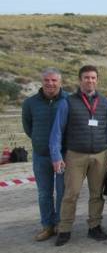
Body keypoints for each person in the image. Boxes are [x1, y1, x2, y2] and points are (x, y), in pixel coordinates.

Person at [49, 65, 107, 246]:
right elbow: (57, 131)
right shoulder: (68, 102)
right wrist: (56, 156)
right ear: (80, 80)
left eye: (93, 78)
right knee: (70, 194)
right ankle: (64, 229)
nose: (90, 81)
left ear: (97, 80)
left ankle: (94, 226)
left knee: (97, 194)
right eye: (86, 78)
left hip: (100, 155)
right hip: (75, 155)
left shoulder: (105, 103)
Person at [22, 68, 69, 241]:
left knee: (63, 191)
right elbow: (28, 128)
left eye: (54, 80)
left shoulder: (69, 100)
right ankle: (47, 226)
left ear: (60, 82)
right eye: (47, 80)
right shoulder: (30, 103)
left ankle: (59, 224)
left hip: (63, 155)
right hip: (41, 156)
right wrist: (40, 141)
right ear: (42, 82)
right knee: (44, 193)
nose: (50, 83)